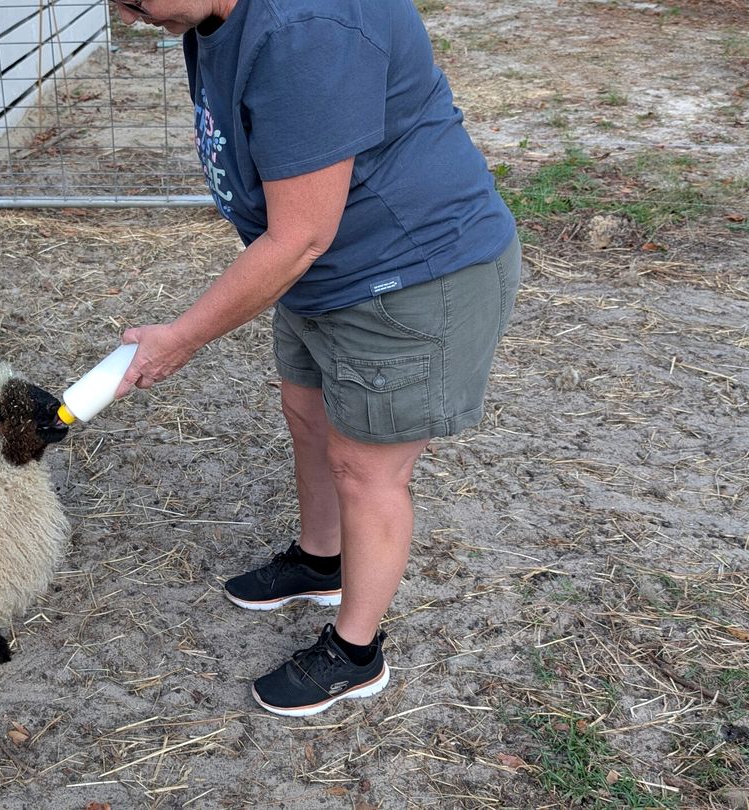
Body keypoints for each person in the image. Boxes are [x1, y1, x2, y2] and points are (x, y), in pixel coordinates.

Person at [110, 0, 522, 717]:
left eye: (140, 0)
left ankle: (357, 652)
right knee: (306, 411)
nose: (130, 13)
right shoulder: (215, 15)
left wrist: (182, 336)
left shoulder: (307, 31)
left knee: (368, 470)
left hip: (405, 270)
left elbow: (300, 235)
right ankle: (320, 558)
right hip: (324, 269)